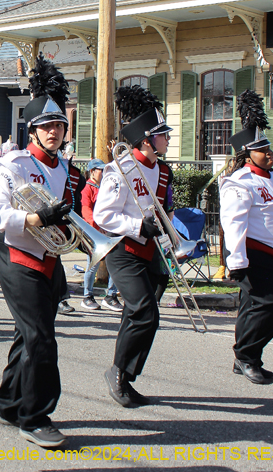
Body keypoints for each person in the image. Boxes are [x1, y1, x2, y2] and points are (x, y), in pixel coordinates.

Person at [0, 57, 83, 449]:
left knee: (28, 336)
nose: (54, 132)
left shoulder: (64, 168)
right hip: (19, 259)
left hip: (50, 261)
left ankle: (10, 402)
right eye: (46, 126)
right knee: (41, 338)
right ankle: (35, 416)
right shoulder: (13, 163)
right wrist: (35, 219)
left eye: (59, 125)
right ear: (33, 132)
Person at [94, 84, 173, 407]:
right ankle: (118, 372)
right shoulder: (121, 168)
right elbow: (103, 215)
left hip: (150, 250)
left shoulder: (164, 171)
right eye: (163, 134)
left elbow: (163, 212)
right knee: (144, 311)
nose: (168, 139)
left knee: (142, 314)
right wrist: (139, 225)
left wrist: (170, 239)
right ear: (146, 139)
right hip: (122, 250)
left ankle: (124, 376)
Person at [220, 89, 273, 383]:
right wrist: (235, 260)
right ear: (248, 154)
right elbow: (233, 221)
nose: (269, 153)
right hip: (253, 251)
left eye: (269, 147)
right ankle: (247, 355)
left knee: (252, 307)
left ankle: (248, 358)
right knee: (270, 307)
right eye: (262, 149)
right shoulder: (240, 181)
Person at [80, 159, 122, 311]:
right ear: (92, 171)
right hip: (95, 233)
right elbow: (86, 211)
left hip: (109, 231)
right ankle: (87, 296)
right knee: (93, 266)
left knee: (115, 265)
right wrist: (97, 228)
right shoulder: (87, 189)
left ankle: (111, 296)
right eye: (101, 170)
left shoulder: (105, 187)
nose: (104, 174)